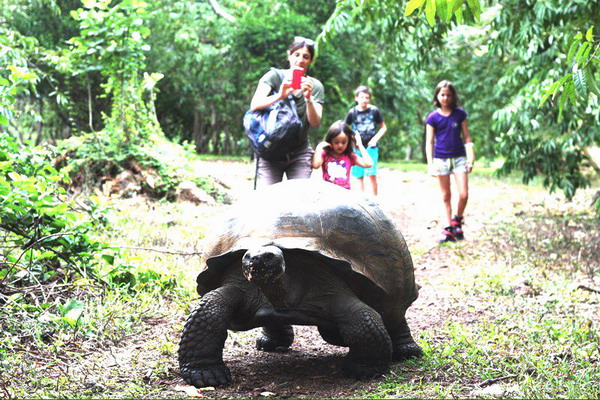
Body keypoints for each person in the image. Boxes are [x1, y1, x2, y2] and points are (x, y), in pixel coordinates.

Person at [249, 37, 325, 186]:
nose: (300, 60)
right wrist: (280, 95)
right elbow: (255, 105)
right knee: (268, 200)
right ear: (289, 56)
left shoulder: (315, 86)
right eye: (296, 55)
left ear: (310, 61)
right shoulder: (274, 77)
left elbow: (315, 122)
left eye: (306, 57)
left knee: (300, 201)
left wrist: (308, 98)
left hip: (300, 152)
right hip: (271, 150)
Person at [425, 80, 475, 242]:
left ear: (453, 96)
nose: (445, 98)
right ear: (437, 96)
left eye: (448, 95)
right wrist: (430, 164)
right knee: (446, 195)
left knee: (463, 194)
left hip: (459, 158)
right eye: (442, 95)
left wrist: (471, 158)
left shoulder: (459, 114)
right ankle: (449, 228)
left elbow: (467, 137)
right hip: (441, 160)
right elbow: (429, 142)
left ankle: (457, 220)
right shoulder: (433, 118)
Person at [344, 85, 387, 195]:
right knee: (359, 176)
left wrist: (375, 139)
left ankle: (375, 200)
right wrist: (351, 140)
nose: (364, 100)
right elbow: (344, 128)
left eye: (367, 97)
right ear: (356, 98)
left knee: (371, 174)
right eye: (362, 97)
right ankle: (362, 202)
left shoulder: (374, 111)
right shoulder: (352, 112)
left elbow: (383, 127)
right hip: (356, 147)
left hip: (371, 147)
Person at [312, 120, 373, 190]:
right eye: (336, 142)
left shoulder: (350, 156)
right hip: (327, 193)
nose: (340, 145)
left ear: (348, 141)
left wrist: (360, 145)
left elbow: (369, 164)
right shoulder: (325, 154)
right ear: (330, 141)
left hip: (345, 194)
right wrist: (319, 147)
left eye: (343, 142)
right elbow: (315, 165)